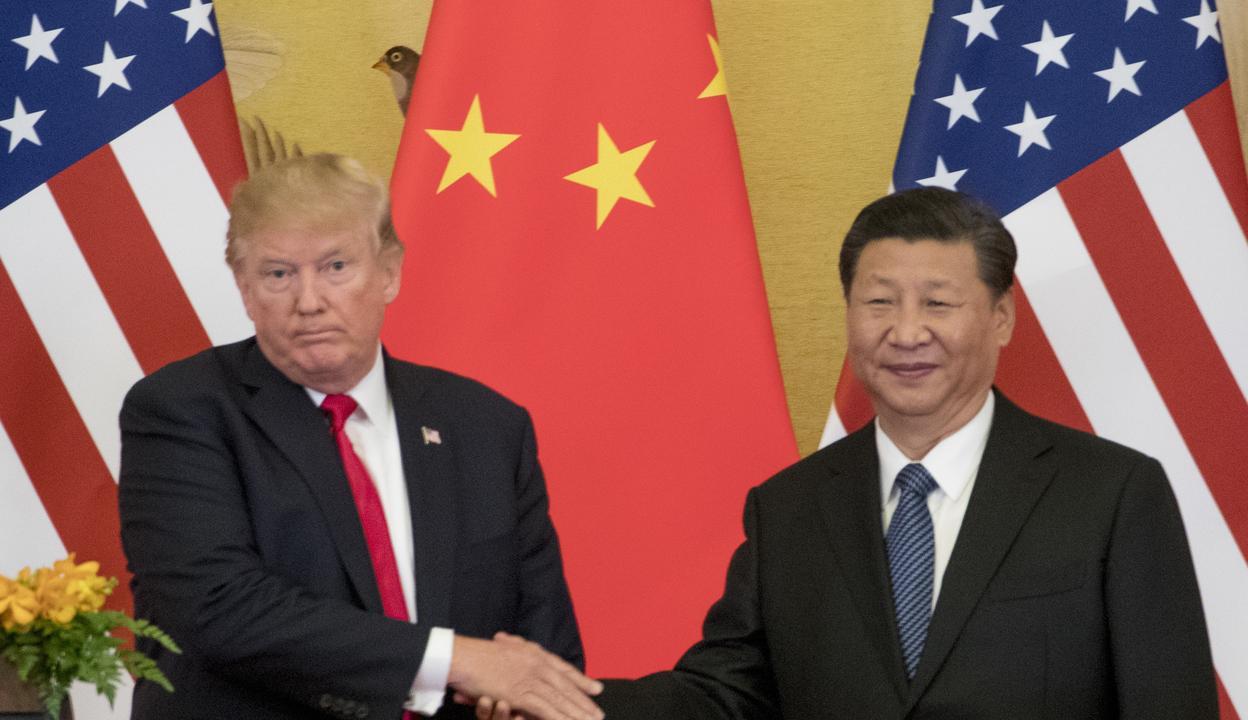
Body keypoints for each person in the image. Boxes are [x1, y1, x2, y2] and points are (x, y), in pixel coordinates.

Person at [586, 188, 1215, 719]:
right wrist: (544, 698)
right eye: (879, 301)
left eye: (938, 303)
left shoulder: (1112, 493)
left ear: (1001, 318)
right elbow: (720, 698)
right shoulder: (790, 508)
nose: (906, 332)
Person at [118, 153, 603, 720]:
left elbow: (542, 646)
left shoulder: (488, 425)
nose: (309, 301)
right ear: (245, 291)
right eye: (278, 274)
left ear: (389, 273)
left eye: (335, 267)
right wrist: (455, 661)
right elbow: (218, 607)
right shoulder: (180, 410)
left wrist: (518, 694)